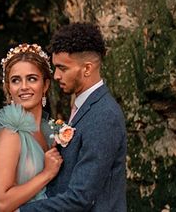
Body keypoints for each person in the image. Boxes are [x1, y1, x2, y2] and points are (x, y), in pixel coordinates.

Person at [19, 22, 127, 212]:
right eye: (55, 68)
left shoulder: (104, 115)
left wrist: (20, 211)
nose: (57, 76)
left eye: (63, 68)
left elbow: (80, 198)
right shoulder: (85, 107)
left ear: (87, 68)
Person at [0, 44, 63, 212]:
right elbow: (1, 203)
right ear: (8, 89)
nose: (23, 86)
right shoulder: (10, 135)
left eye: (32, 78)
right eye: (15, 80)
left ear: (46, 85)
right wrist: (47, 173)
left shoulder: (49, 132)